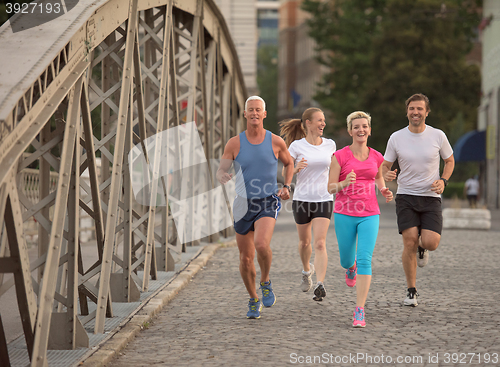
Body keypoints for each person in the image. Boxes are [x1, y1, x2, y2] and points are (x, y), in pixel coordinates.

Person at [217, 96, 294, 319]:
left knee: (261, 244)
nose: (254, 113)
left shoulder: (276, 141)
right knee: (245, 258)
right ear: (245, 114)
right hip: (242, 203)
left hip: (268, 200)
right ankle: (253, 298)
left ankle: (265, 280)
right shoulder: (234, 143)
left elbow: (289, 164)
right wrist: (223, 175)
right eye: (250, 110)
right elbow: (221, 170)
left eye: (258, 110)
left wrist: (287, 185)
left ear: (264, 114)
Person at [382, 93, 455, 307]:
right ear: (407, 111)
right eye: (412, 108)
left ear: (427, 112)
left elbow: (449, 161)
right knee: (409, 241)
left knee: (431, 242)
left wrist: (444, 180)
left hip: (431, 196)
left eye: (420, 109)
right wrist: (387, 174)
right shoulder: (396, 137)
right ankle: (411, 290)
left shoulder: (438, 136)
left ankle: (423, 248)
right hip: (406, 196)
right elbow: (385, 165)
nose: (416, 112)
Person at [327, 111, 393, 328]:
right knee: (347, 259)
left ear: (369, 130)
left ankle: (360, 310)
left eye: (364, 126)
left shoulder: (377, 156)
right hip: (345, 213)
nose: (361, 130)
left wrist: (383, 189)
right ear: (350, 131)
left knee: (365, 258)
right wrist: (345, 182)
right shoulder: (340, 156)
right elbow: (330, 187)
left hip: (370, 214)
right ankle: (350, 267)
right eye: (356, 126)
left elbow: (377, 175)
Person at [279, 108, 336, 301]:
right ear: (308, 123)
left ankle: (320, 283)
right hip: (302, 200)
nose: (323, 124)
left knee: (320, 243)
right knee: (305, 243)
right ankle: (306, 271)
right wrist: (295, 169)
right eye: (319, 120)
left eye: (324, 120)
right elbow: (284, 172)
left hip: (324, 199)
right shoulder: (296, 146)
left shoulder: (330, 145)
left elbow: (338, 168)